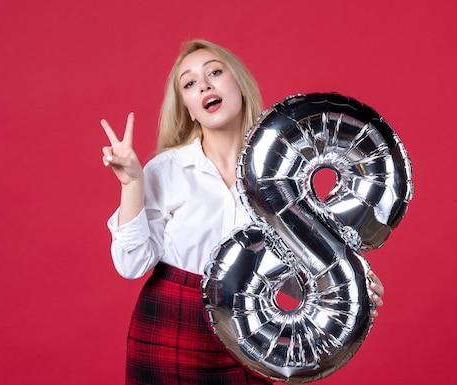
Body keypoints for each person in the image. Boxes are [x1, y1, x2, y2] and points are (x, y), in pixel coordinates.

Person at [100, 39, 385, 385]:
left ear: (240, 85)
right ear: (190, 108)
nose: (203, 84)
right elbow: (131, 265)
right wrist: (132, 184)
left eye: (215, 72)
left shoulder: (285, 174)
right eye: (189, 83)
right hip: (172, 329)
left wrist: (346, 286)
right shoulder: (166, 170)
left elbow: (289, 267)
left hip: (254, 329)